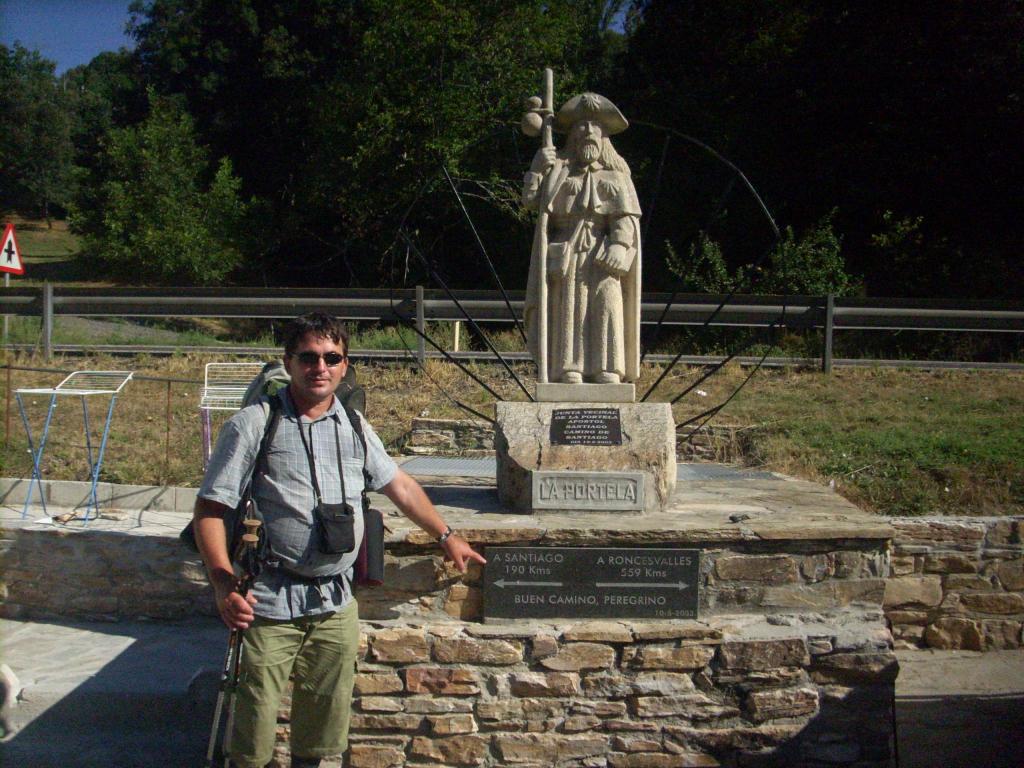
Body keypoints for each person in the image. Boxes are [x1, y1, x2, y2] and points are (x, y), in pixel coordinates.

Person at [193, 312, 485, 768]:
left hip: (334, 603)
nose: (320, 367)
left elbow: (399, 486)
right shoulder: (254, 424)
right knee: (252, 735)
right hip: (269, 603)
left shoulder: (353, 425)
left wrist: (446, 536)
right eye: (308, 357)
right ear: (289, 362)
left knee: (323, 735)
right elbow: (211, 510)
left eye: (332, 357)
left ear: (345, 365)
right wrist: (222, 583)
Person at [522, 92, 642, 385]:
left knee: (607, 303)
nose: (588, 133)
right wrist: (538, 169)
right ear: (572, 137)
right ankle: (568, 368)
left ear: (604, 138)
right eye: (581, 127)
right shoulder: (559, 173)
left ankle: (608, 367)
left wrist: (620, 244)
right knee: (567, 308)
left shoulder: (616, 177)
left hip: (603, 252)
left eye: (594, 127)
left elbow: (625, 219)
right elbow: (531, 202)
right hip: (566, 253)